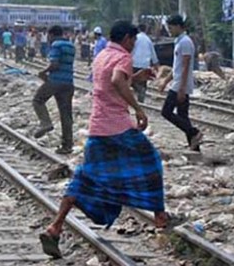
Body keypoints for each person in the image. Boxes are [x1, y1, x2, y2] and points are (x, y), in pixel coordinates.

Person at [39, 20, 175, 259]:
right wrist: (138, 109)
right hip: (119, 128)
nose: (133, 46)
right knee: (151, 162)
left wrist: (134, 77)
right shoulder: (122, 56)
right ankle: (160, 217)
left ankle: (55, 227)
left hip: (98, 129)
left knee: (85, 176)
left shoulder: (102, 54)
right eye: (133, 41)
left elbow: (110, 81)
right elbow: (115, 80)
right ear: (126, 39)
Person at [159, 15, 202, 152]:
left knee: (166, 112)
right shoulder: (179, 41)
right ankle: (195, 147)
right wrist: (165, 81)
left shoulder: (185, 42)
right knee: (183, 115)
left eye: (170, 27)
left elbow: (185, 65)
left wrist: (182, 88)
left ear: (178, 26)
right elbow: (176, 66)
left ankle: (194, 132)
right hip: (178, 82)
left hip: (180, 84)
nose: (169, 30)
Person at [32, 26, 76, 155]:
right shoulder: (71, 45)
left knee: (38, 100)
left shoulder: (56, 45)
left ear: (51, 35)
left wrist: (43, 72)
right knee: (66, 114)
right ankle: (67, 145)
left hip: (56, 80)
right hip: (69, 83)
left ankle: (45, 123)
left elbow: (55, 64)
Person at [131, 24, 159, 103]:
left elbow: (131, 49)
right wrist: (156, 64)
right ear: (145, 29)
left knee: (132, 80)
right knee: (143, 83)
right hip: (145, 65)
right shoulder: (148, 40)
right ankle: (141, 100)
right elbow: (153, 53)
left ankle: (138, 90)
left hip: (135, 63)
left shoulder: (135, 39)